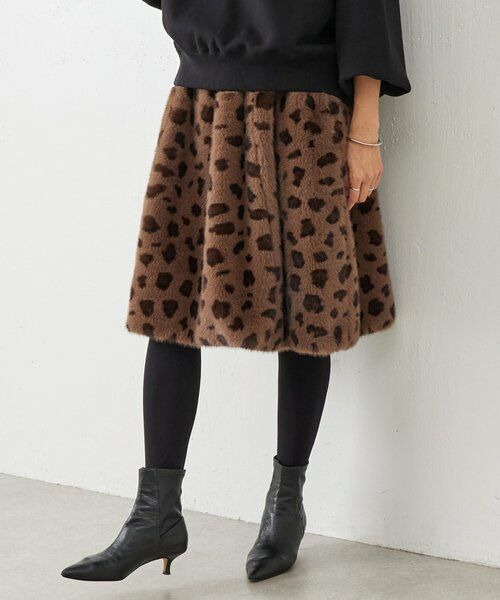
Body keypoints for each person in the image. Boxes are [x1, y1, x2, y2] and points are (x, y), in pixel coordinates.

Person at [62, 0, 410, 583]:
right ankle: (155, 515)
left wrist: (365, 132)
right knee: (170, 309)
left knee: (308, 316)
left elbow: (369, 10)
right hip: (199, 106)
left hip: (304, 112)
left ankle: (285, 508)